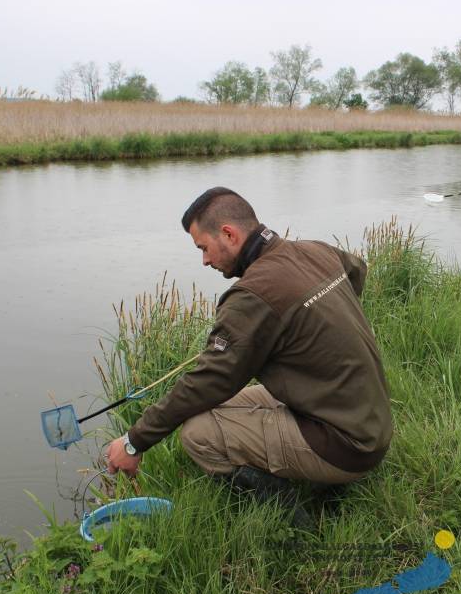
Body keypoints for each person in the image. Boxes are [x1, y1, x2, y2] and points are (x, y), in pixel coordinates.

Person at [106, 187, 394, 523]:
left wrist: (133, 442)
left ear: (228, 233)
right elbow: (357, 271)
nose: (205, 260)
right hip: (370, 420)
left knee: (198, 434)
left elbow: (208, 381)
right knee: (212, 408)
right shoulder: (314, 251)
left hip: (348, 446)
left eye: (204, 248)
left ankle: (289, 514)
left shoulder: (253, 295)